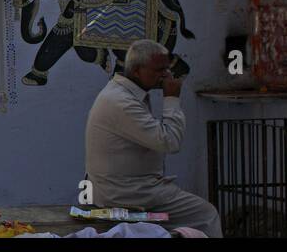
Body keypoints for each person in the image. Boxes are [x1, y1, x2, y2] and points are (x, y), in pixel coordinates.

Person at [84, 39, 222, 237]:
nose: (166, 75)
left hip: (124, 189)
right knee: (206, 215)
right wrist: (172, 99)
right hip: (127, 194)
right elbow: (170, 142)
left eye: (167, 68)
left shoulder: (121, 93)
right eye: (159, 70)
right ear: (136, 71)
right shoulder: (121, 101)